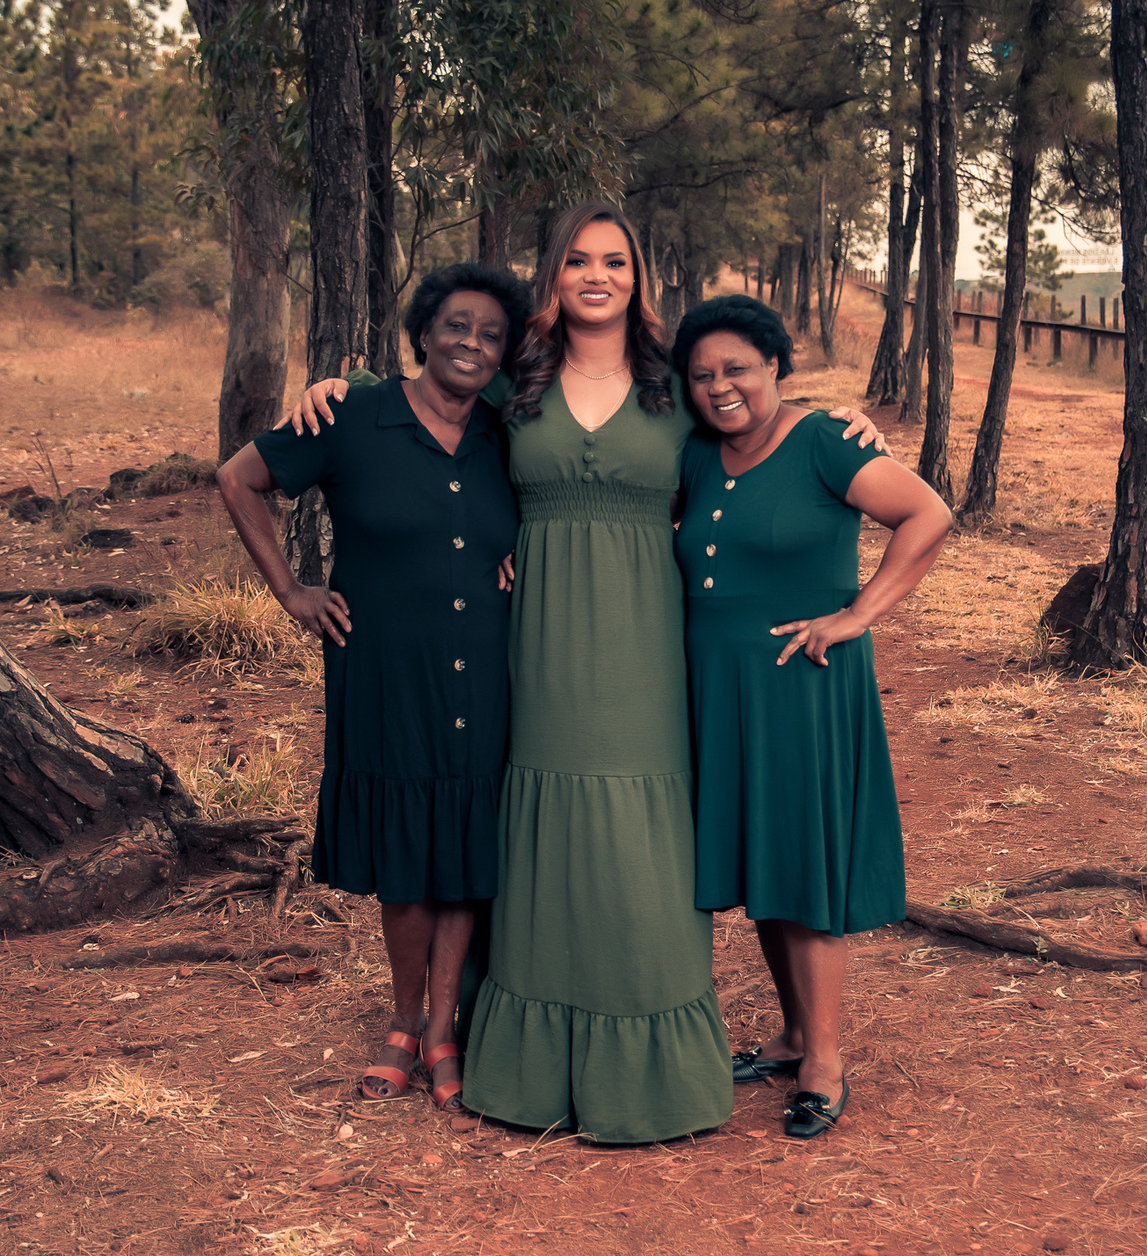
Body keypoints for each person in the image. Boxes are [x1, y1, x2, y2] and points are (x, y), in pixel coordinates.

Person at [289, 208, 886, 1143]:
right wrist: (345, 385)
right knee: (538, 811)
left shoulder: (671, 382)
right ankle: (525, 1048)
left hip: (649, 636)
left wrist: (842, 421)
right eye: (578, 259)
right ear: (554, 272)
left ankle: (650, 1058)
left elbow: (753, 419)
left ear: (638, 275)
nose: (596, 275)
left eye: (615, 260)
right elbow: (425, 397)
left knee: (646, 821)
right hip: (535, 635)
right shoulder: (517, 380)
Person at [216, 264, 529, 1109]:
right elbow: (239, 478)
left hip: (486, 664)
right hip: (384, 663)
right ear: (423, 332)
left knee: (464, 841)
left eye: (491, 334)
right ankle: (402, 1019)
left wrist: (521, 554)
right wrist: (291, 591)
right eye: (457, 325)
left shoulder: (508, 429)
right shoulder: (350, 415)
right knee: (405, 848)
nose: (472, 343)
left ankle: (444, 1026)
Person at [672, 295, 952, 1138]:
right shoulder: (693, 456)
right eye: (702, 375)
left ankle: (825, 1062)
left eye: (737, 369)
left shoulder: (827, 442)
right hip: (719, 689)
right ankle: (793, 1035)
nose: (721, 387)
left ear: (775, 369)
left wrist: (859, 613)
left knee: (806, 863)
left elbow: (928, 513)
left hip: (804, 684)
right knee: (763, 860)